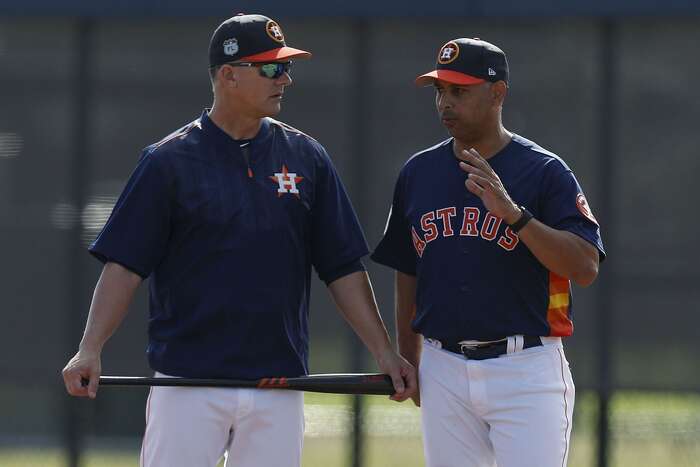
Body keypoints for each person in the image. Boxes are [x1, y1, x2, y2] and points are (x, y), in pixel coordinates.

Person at [61, 13, 416, 467]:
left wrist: (385, 352)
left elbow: (343, 267)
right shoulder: (167, 162)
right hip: (188, 384)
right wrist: (89, 348)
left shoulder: (307, 157)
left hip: (278, 385)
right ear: (228, 75)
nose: (284, 79)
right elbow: (125, 267)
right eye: (270, 68)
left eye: (286, 67)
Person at [371, 37, 605, 467]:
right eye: (440, 91)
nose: (445, 102)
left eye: (459, 91)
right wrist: (410, 357)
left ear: (497, 94)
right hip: (442, 365)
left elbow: (585, 266)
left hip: (526, 367)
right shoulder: (418, 172)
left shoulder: (544, 171)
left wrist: (515, 215)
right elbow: (408, 271)